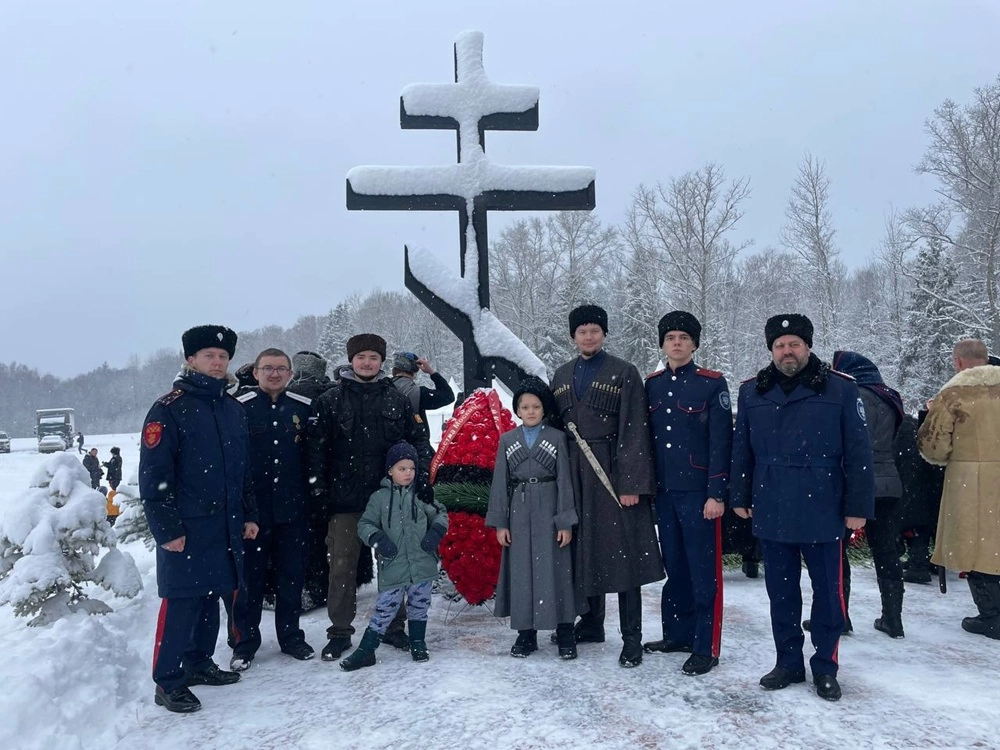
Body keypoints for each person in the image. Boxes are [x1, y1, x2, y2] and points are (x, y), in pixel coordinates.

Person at [730, 314, 874, 702]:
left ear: (808, 346)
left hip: (823, 502)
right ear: (771, 350)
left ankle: (825, 666)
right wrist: (740, 497)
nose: (787, 351)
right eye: (779, 345)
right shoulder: (752, 391)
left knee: (828, 593)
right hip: (772, 502)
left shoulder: (841, 389)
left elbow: (860, 453)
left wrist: (857, 506)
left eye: (794, 344)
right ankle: (788, 662)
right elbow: (741, 449)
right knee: (781, 593)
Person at [139, 324, 259, 714]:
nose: (218, 362)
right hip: (187, 528)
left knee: (211, 596)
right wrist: (167, 529)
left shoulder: (233, 409)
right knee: (181, 603)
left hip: (225, 524)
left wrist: (249, 514)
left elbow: (244, 471)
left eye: (223, 356)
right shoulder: (169, 408)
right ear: (190, 359)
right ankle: (167, 680)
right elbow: (155, 476)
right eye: (209, 355)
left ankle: (198, 662)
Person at [549, 305, 664, 668]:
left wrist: (630, 483)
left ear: (604, 334)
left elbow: (634, 430)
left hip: (611, 473)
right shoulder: (562, 375)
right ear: (573, 336)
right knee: (584, 548)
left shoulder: (623, 372)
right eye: (582, 331)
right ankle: (593, 623)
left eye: (595, 330)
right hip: (573, 472)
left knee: (625, 555)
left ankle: (632, 637)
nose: (588, 337)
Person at [307, 333, 433, 662]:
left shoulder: (396, 398)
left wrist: (419, 478)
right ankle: (339, 632)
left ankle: (393, 625)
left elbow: (419, 441)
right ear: (351, 360)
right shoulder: (330, 400)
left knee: (393, 565)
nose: (367, 362)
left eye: (373, 358)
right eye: (361, 357)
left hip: (388, 500)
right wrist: (318, 489)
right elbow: (315, 449)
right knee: (343, 566)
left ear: (382, 362)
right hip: (344, 501)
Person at [643, 311, 732, 675]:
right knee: (675, 567)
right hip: (664, 493)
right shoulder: (652, 385)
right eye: (670, 338)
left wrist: (717, 493)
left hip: (699, 495)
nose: (676, 343)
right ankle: (676, 634)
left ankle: (705, 645)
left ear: (694, 343)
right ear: (663, 344)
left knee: (702, 571)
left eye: (683, 337)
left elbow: (721, 442)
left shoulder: (711, 384)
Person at [227, 348, 316, 671]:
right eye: (268, 368)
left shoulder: (304, 409)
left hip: (294, 510)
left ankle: (290, 637)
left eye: (281, 368)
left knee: (291, 578)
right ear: (256, 372)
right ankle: (245, 643)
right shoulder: (239, 409)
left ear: (291, 374)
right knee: (249, 581)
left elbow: (312, 456)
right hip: (254, 513)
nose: (274, 374)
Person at [486, 376, 580, 660]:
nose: (530, 411)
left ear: (543, 410)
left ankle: (565, 631)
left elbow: (565, 479)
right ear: (517, 410)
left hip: (550, 508)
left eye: (535, 406)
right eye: (524, 406)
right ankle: (526, 634)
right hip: (518, 511)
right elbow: (500, 482)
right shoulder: (507, 440)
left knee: (557, 569)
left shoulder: (557, 438)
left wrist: (565, 521)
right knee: (521, 571)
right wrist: (501, 522)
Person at [339, 441, 448, 670]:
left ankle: (418, 642)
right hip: (393, 565)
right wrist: (378, 540)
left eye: (412, 468)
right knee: (385, 608)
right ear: (390, 470)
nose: (408, 473)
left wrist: (435, 533)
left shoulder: (421, 494)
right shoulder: (379, 499)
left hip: (422, 564)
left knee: (420, 605)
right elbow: (365, 524)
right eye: (402, 469)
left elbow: (440, 514)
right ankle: (366, 651)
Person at [918, 338, 1000, 640]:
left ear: (958, 362)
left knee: (976, 544)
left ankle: (992, 615)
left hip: (970, 481)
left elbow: (934, 446)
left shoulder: (953, 394)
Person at [287, 350, 337, 611]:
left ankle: (303, 588)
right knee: (321, 537)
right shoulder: (324, 393)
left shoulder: (287, 392)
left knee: (300, 539)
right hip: (323, 473)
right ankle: (321, 587)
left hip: (293, 475)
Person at [390, 351, 455, 453]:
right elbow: (448, 396)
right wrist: (431, 372)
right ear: (414, 371)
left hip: (389, 453)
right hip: (416, 451)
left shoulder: (383, 389)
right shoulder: (418, 393)